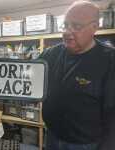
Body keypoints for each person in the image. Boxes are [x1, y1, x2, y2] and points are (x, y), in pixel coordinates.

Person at [39, 1, 115, 150]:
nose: (68, 31)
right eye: (65, 25)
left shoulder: (110, 60)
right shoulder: (50, 54)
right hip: (52, 136)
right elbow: (24, 77)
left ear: (95, 27)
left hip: (86, 145)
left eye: (76, 26)